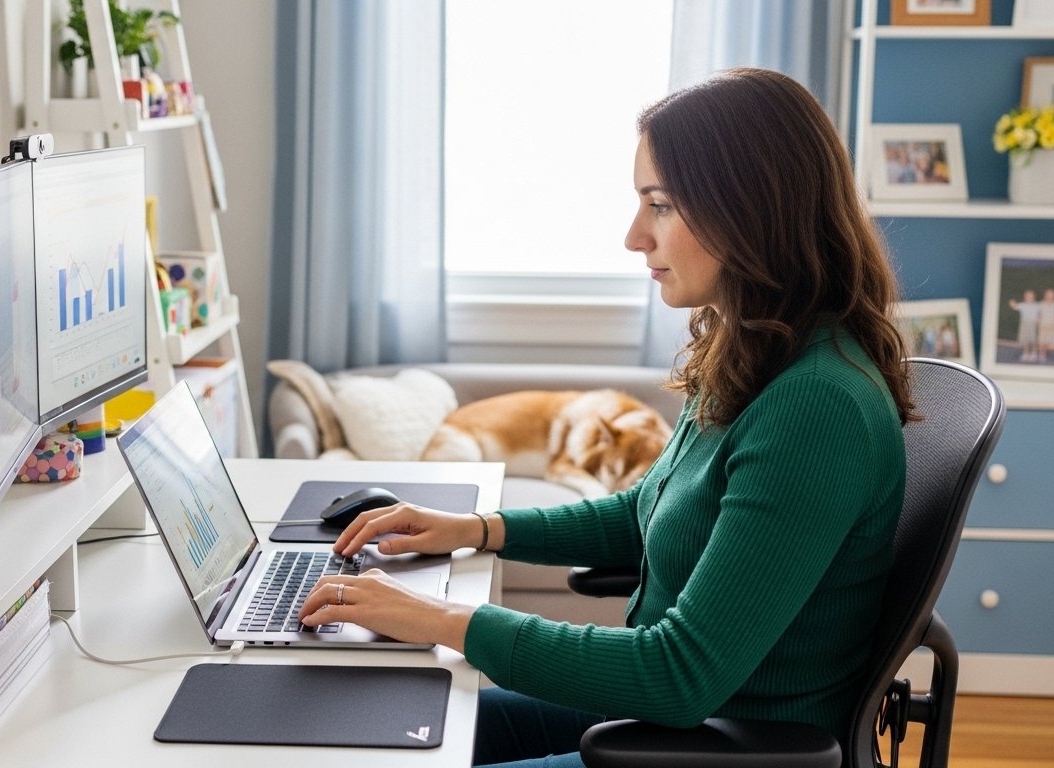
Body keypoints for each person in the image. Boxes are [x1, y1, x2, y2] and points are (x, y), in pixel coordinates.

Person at [297, 67, 915, 767]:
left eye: (660, 205)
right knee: (371, 720)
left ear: (750, 209)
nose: (633, 237)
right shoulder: (757, 353)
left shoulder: (816, 405)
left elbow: (679, 675)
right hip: (669, 728)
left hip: (722, 747)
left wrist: (441, 620)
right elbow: (643, 515)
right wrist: (474, 529)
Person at [1008, 289, 1040, 363]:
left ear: (1034, 297)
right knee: (1025, 339)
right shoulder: (1022, 305)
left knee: (1033, 339)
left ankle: (1034, 353)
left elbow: (1041, 314)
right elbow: (1014, 306)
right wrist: (1011, 302)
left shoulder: (1037, 305)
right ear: (1025, 297)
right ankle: (1026, 353)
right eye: (1027, 296)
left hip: (1033, 324)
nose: (1029, 298)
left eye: (1031, 296)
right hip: (1024, 324)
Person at [1037, 287, 1054, 363]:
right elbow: (1039, 315)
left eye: (1052, 295)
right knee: (1042, 341)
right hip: (1043, 325)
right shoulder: (1041, 304)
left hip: (1053, 325)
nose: (1050, 296)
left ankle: (1045, 349)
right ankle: (1041, 355)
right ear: (1045, 296)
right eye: (1048, 295)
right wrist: (1039, 324)